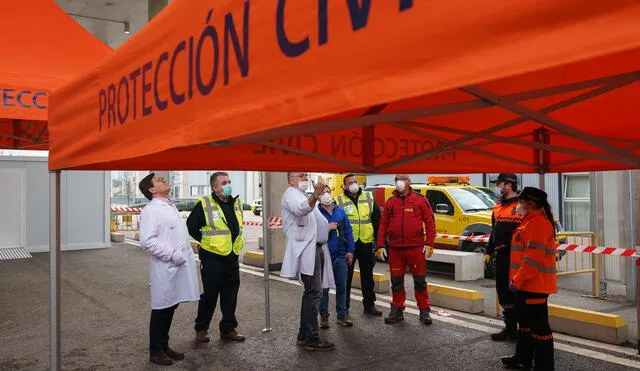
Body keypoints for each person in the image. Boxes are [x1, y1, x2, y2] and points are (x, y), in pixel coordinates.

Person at [138, 173, 199, 366]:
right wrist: (172, 254)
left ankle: (163, 345)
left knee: (171, 305)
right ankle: (155, 351)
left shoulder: (169, 206)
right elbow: (147, 241)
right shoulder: (151, 210)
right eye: (158, 180)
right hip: (167, 265)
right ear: (152, 190)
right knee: (162, 307)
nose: (163, 179)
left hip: (178, 265)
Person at [501, 187, 557, 370]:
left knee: (540, 329)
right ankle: (522, 358)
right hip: (526, 284)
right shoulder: (529, 221)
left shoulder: (538, 223)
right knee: (524, 324)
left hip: (534, 285)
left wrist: (516, 282)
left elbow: (532, 260)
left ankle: (544, 366)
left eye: (522, 202)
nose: (518, 205)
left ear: (530, 204)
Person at [187, 172, 246, 344]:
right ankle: (201, 328)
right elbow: (191, 227)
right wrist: (204, 241)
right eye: (223, 182)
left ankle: (228, 329)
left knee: (230, 294)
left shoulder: (236, 203)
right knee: (210, 295)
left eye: (229, 181)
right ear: (215, 188)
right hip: (213, 256)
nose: (228, 185)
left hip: (232, 255)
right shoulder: (205, 204)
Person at [281, 173, 335, 351]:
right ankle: (311, 337)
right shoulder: (291, 194)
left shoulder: (301, 195)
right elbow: (301, 210)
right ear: (291, 179)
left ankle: (304, 335)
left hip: (315, 248)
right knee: (314, 293)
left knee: (311, 292)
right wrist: (316, 194)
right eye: (300, 175)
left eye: (306, 174)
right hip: (306, 250)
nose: (305, 177)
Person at [376, 174, 436, 325]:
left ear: (409, 182)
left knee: (420, 281)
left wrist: (429, 243)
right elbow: (383, 224)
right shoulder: (390, 202)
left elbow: (430, 222)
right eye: (397, 179)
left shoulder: (420, 200)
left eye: (402, 178)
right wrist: (380, 244)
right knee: (396, 281)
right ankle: (397, 308)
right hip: (395, 249)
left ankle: (424, 310)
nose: (399, 182)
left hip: (416, 248)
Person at [336, 174, 383, 317]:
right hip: (348, 246)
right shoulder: (339, 200)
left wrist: (376, 241)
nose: (354, 184)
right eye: (350, 182)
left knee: (367, 277)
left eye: (355, 181)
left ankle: (369, 305)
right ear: (344, 186)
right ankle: (344, 308)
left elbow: (376, 219)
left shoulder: (368, 197)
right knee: (346, 278)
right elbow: (337, 224)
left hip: (366, 243)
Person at [484, 173, 522, 341]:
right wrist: (488, 251)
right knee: (503, 291)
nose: (497, 187)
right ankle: (510, 328)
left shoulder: (522, 204)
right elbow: (494, 230)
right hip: (501, 255)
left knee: (518, 292)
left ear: (509, 185)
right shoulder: (498, 205)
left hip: (517, 256)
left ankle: (524, 330)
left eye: (499, 184)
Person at [318, 186, 356, 328]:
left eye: (328, 191)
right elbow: (312, 233)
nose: (326, 195)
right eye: (322, 193)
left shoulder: (340, 212)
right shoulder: (316, 212)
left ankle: (342, 315)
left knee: (342, 287)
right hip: (323, 255)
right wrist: (326, 228)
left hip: (340, 256)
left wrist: (350, 250)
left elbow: (348, 231)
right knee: (324, 288)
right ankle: (324, 316)